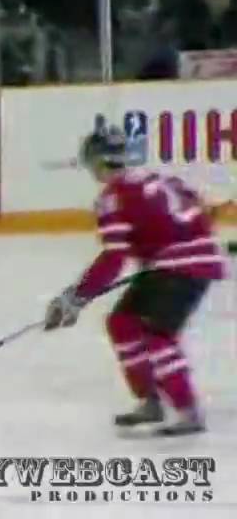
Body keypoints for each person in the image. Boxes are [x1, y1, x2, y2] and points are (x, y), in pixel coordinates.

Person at [43, 127, 226, 436]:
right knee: (122, 322)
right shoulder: (160, 180)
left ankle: (187, 410)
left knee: (158, 335)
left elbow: (114, 258)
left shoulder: (112, 198)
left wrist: (75, 298)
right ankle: (151, 401)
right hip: (180, 263)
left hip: (179, 267)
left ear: (98, 163)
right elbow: (200, 214)